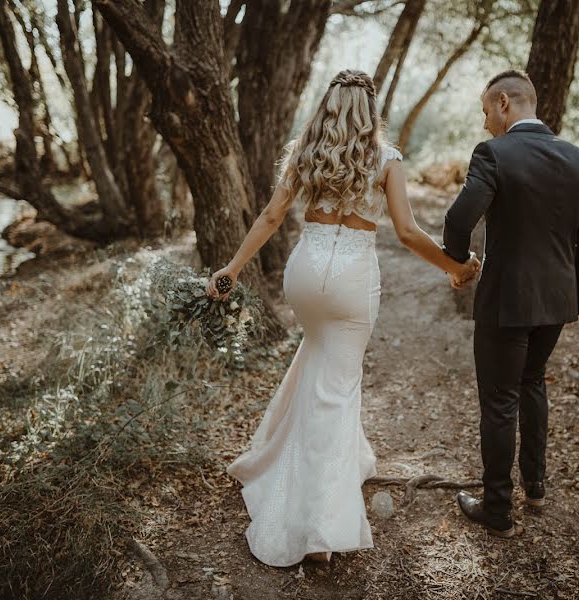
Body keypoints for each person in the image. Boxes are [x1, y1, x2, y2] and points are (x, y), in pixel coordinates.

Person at [205, 69, 480, 567]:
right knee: (338, 390)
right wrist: (455, 268)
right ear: (371, 112)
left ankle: (302, 461)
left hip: (305, 276)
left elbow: (270, 217)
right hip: (353, 279)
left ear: (328, 107)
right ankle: (319, 531)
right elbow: (408, 232)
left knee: (317, 361)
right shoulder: (386, 160)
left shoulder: (306, 153)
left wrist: (232, 269)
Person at [441, 69, 579, 538]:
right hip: (556, 299)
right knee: (532, 382)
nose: (486, 124)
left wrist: (460, 264)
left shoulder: (494, 153)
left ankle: (496, 511)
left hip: (505, 299)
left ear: (505, 103)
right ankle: (535, 487)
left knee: (499, 400)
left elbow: (457, 221)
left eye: (486, 112)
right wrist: (577, 299)